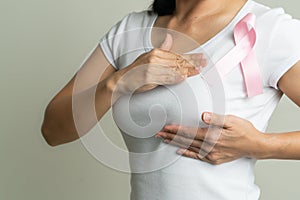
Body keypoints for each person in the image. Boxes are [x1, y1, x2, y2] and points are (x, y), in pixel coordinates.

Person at [41, 0, 300, 199]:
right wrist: (120, 82)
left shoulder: (267, 29)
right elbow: (53, 130)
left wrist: (262, 145)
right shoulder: (131, 30)